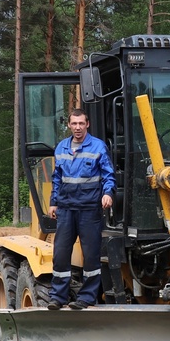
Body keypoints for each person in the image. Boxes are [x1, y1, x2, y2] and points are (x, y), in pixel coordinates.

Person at [47, 108, 115, 310]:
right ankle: (58, 297)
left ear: (87, 125)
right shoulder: (61, 148)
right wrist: (54, 202)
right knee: (60, 254)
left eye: (81, 123)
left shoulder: (98, 147)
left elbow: (108, 175)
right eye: (74, 124)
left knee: (91, 255)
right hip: (66, 209)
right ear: (69, 125)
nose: (78, 127)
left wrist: (108, 194)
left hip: (89, 209)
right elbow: (57, 178)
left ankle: (86, 298)